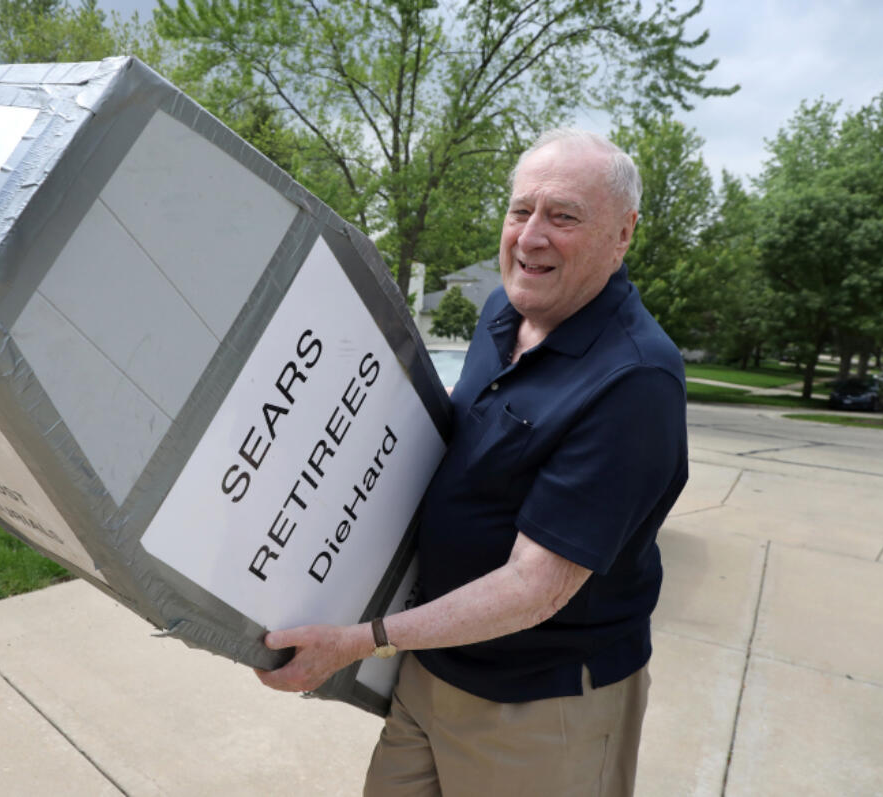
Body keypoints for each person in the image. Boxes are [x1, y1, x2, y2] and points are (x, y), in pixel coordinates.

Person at [255, 128, 689, 796]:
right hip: (431, 663)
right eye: (522, 211)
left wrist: (359, 638)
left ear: (622, 235)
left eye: (564, 216)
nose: (532, 236)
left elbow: (533, 587)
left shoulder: (633, 381)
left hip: (539, 702)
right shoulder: (501, 312)